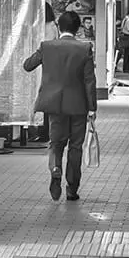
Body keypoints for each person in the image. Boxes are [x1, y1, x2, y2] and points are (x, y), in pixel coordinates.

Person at [23, 11, 97, 202]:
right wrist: (92, 108)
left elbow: (27, 65)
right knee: (75, 147)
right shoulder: (84, 48)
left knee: (56, 143)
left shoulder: (47, 47)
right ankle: (72, 189)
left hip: (54, 105)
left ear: (58, 27)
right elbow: (89, 81)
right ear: (77, 28)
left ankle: (55, 168)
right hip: (79, 105)